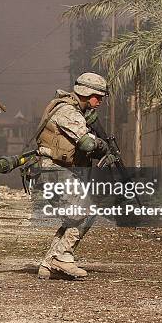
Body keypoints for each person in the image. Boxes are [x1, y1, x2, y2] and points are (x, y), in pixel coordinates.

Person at [33, 72, 110, 280]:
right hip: (55, 172)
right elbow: (86, 143)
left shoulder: (75, 111)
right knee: (86, 210)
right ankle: (63, 256)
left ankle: (48, 264)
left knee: (73, 217)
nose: (101, 100)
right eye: (98, 96)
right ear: (86, 93)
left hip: (57, 172)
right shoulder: (68, 111)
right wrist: (103, 145)